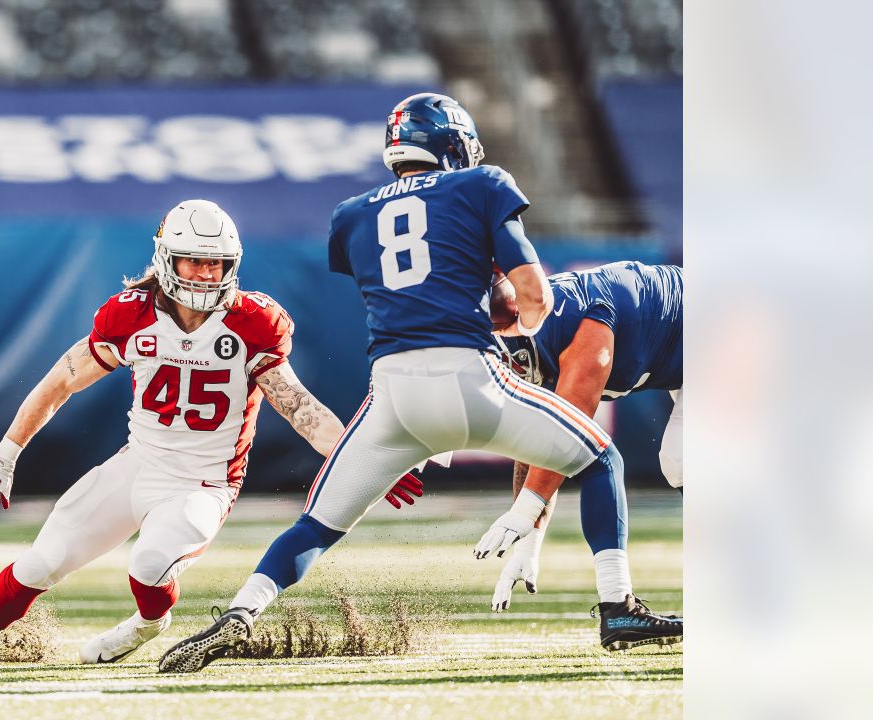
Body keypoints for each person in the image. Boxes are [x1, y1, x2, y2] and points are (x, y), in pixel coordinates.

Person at [158, 94, 681, 674]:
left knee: (317, 524)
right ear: (454, 145)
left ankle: (240, 612)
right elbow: (531, 295)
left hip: (391, 395)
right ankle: (618, 606)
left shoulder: (352, 213)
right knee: (600, 457)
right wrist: (532, 330)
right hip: (468, 376)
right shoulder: (482, 184)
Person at [0, 199, 421, 666]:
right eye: (195, 262)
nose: (208, 274)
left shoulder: (252, 323)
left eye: (218, 264)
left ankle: (148, 623)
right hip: (138, 462)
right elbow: (60, 382)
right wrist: (4, 456)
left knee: (149, 565)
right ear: (167, 259)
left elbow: (300, 409)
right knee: (40, 562)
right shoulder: (131, 315)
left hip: (203, 482)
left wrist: (361, 456)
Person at [487, 261, 683, 612]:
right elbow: (539, 445)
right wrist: (529, 544)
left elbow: (566, 437)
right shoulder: (528, 331)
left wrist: (525, 512)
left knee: (683, 460)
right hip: (679, 358)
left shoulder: (587, 326)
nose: (506, 366)